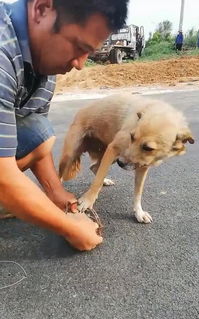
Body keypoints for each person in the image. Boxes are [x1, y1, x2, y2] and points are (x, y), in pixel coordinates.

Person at [0, 0, 128, 251]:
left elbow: (35, 138)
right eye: (79, 47)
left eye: (89, 52)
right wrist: (69, 227)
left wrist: (56, 193)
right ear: (42, 8)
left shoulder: (43, 70)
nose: (80, 63)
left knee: (41, 132)